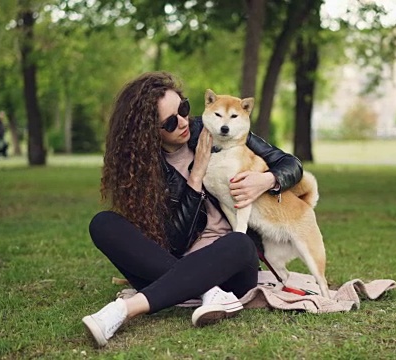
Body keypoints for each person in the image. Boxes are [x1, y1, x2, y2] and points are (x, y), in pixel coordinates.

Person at [82, 71, 303, 347]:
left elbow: (290, 164)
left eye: (184, 108)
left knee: (239, 242)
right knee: (102, 224)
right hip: (175, 263)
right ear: (149, 132)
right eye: (171, 122)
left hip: (230, 268)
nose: (184, 122)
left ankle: (125, 310)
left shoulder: (214, 128)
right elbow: (174, 242)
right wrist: (196, 176)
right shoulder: (144, 172)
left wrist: (266, 180)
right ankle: (206, 291)